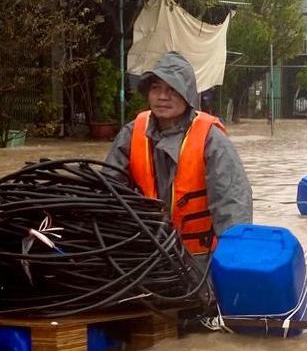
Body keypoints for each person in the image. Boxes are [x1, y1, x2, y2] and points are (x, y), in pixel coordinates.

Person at [105, 51, 252, 262]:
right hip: (147, 255)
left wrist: (236, 264)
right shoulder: (131, 133)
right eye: (156, 88)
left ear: (188, 95)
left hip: (200, 260)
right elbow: (108, 189)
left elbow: (233, 205)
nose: (162, 97)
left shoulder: (211, 140)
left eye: (172, 89)